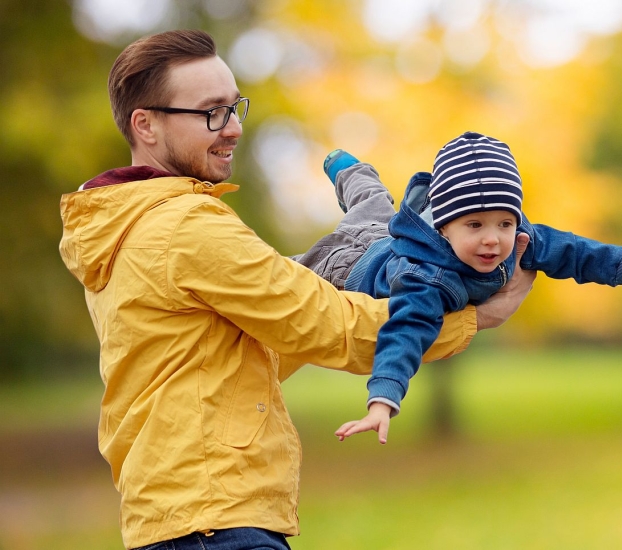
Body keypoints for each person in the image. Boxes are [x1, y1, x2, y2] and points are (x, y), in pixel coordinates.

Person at [57, 30, 534, 550]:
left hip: (184, 514)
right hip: (215, 521)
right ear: (145, 124)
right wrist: (475, 318)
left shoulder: (126, 225)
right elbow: (327, 325)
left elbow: (254, 348)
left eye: (234, 107)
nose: (234, 128)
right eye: (211, 113)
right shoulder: (184, 228)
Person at [291, 132, 622, 445]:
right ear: (444, 227)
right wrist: (383, 400)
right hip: (348, 265)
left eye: (503, 222)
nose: (492, 241)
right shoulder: (428, 278)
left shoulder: (520, 240)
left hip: (389, 238)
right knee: (337, 235)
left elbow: (576, 252)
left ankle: (351, 171)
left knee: (375, 206)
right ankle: (347, 168)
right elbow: (406, 332)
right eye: (475, 226)